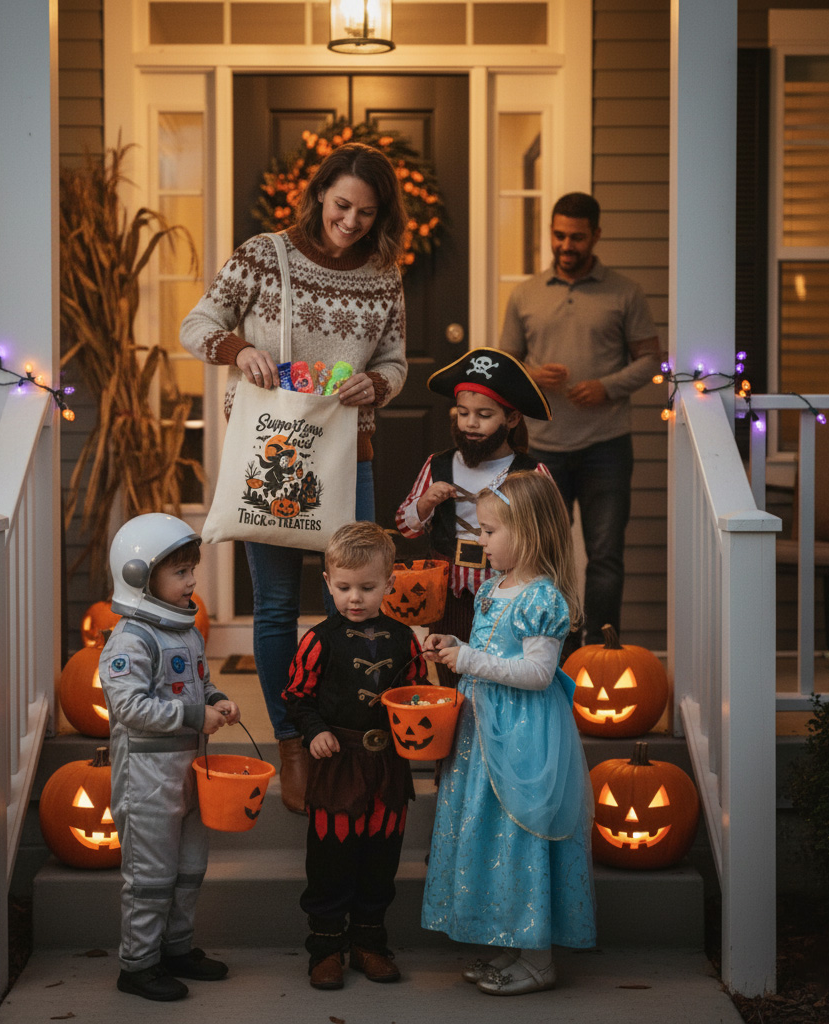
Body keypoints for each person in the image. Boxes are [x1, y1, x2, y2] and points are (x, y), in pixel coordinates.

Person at [181, 142, 408, 814]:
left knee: (359, 601)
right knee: (277, 609)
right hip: (271, 455)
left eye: (366, 213)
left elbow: (395, 360)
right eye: (342, 206)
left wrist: (379, 384)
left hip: (349, 457)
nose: (351, 222)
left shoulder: (384, 274)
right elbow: (198, 325)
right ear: (318, 195)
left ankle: (352, 739)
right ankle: (292, 745)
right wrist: (238, 347)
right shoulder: (262, 255)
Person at [420, 470, 596, 995]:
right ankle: (509, 938)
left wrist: (469, 658)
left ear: (531, 533)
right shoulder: (494, 588)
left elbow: (539, 674)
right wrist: (456, 644)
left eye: (491, 532)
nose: (481, 541)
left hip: (523, 737)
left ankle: (539, 958)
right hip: (483, 732)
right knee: (490, 833)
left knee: (521, 836)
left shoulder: (543, 598)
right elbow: (492, 653)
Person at [498, 191, 661, 646]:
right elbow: (504, 365)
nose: (566, 245)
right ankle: (558, 653)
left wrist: (606, 386)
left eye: (577, 237)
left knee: (605, 556)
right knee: (547, 555)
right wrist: (533, 375)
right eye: (559, 235)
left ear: (596, 236)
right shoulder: (526, 293)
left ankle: (602, 655)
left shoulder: (624, 291)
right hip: (543, 447)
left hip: (606, 445)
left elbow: (651, 360)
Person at [99, 513, 242, 1002]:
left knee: (188, 868)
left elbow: (199, 684)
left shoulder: (186, 631)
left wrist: (217, 698)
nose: (192, 581)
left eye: (191, 570)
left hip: (188, 775)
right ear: (140, 576)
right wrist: (192, 714)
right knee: (151, 877)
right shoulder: (129, 640)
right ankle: (138, 964)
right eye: (180, 572)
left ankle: (176, 948)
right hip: (147, 777)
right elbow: (128, 707)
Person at [282, 521, 426, 991]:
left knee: (380, 858)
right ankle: (326, 949)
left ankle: (369, 944)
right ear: (328, 582)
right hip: (337, 761)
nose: (355, 598)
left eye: (367, 587)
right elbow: (297, 698)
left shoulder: (406, 640)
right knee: (331, 859)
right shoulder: (319, 641)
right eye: (344, 587)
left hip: (387, 765)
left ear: (390, 584)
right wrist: (315, 731)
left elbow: (419, 695)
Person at [395, 347, 552, 683]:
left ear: (511, 419)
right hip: (447, 593)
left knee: (499, 671)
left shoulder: (530, 472)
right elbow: (403, 527)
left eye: (483, 415)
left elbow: (549, 538)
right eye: (463, 413)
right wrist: (425, 504)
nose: (470, 423)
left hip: (508, 594)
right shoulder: (438, 465)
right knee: (452, 675)